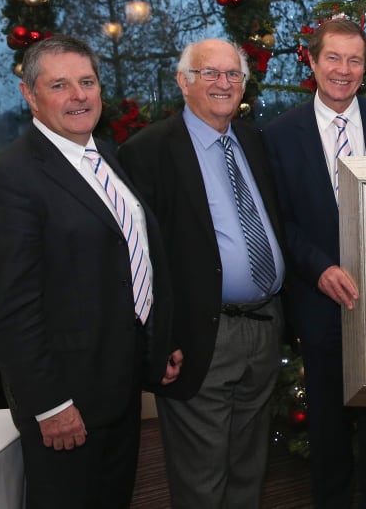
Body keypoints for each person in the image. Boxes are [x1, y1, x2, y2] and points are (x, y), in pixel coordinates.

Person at [0, 34, 180, 508]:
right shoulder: (10, 177)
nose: (78, 95)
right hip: (66, 400)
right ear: (29, 95)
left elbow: (132, 262)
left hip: (118, 387)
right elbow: (10, 309)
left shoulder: (107, 157)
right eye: (60, 85)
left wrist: (154, 346)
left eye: (87, 82)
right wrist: (50, 406)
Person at [118, 38, 286, 508]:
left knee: (248, 468)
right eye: (209, 73)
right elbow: (140, 258)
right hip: (198, 337)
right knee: (201, 478)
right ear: (183, 81)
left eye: (233, 74)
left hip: (264, 327)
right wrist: (160, 336)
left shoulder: (252, 139)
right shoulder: (148, 151)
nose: (223, 83)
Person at [262, 18, 366, 508]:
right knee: (327, 429)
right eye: (333, 58)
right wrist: (319, 268)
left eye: (355, 60)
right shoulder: (279, 135)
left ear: (365, 66)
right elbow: (279, 219)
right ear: (311, 61)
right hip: (320, 302)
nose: (343, 70)